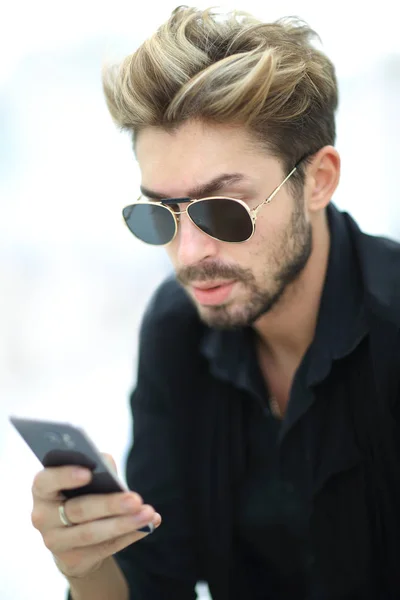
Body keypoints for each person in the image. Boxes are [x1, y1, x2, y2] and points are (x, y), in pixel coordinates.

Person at [30, 6, 400, 600]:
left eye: (223, 210)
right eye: (161, 215)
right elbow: (156, 580)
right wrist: (87, 564)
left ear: (319, 180)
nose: (188, 254)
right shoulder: (176, 330)